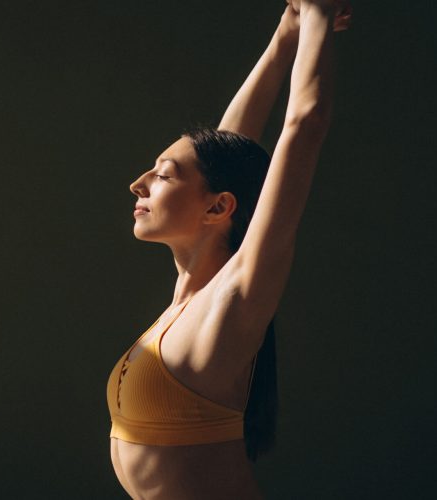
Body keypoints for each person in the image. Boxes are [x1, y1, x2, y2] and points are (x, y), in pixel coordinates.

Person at [106, 1, 351, 498]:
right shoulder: (187, 301)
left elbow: (303, 124)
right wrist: (286, 34)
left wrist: (319, 14)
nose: (138, 184)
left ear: (218, 209)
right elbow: (228, 149)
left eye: (163, 174)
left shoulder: (235, 297)